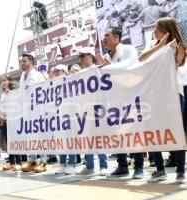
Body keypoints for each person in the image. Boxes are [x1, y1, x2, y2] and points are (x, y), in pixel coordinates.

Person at [138, 17, 186, 184]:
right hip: (153, 95)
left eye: (157, 29)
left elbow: (174, 67)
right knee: (153, 131)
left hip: (173, 94)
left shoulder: (179, 46)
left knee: (176, 130)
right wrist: (159, 47)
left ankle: (181, 170)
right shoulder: (152, 45)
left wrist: (171, 52)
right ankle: (160, 169)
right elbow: (141, 59)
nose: (154, 32)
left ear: (166, 30)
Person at [97, 27, 145, 179]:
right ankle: (122, 166)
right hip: (114, 100)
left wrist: (109, 66)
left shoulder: (128, 49)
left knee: (134, 132)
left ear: (116, 37)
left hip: (131, 96)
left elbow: (132, 67)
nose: (104, 38)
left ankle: (138, 167)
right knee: (117, 133)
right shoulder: (106, 56)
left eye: (107, 35)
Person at [76, 49, 109, 176]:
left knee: (99, 137)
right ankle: (89, 166)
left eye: (83, 56)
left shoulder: (98, 68)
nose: (81, 59)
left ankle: (103, 165)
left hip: (97, 108)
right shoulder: (80, 73)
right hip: (85, 109)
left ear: (90, 56)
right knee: (87, 138)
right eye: (80, 57)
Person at [19, 54, 47, 173]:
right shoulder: (22, 76)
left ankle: (44, 161)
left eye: (24, 61)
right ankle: (33, 160)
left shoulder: (37, 74)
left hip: (38, 110)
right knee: (30, 136)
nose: (22, 63)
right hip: (27, 111)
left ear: (31, 61)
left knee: (40, 135)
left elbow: (34, 89)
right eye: (21, 62)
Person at [51, 65, 78, 175]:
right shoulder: (54, 85)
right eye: (55, 71)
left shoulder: (69, 82)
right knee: (61, 141)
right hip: (59, 116)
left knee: (70, 140)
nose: (56, 73)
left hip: (70, 115)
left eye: (58, 71)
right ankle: (62, 164)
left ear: (65, 72)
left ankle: (72, 164)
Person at [0, 75, 23, 171]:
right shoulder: (3, 94)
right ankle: (12, 162)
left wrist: (10, 94)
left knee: (14, 141)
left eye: (4, 80)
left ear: (9, 81)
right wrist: (1, 119)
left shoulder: (14, 92)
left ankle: (19, 162)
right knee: (9, 143)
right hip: (5, 120)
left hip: (13, 120)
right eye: (2, 81)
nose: (3, 83)